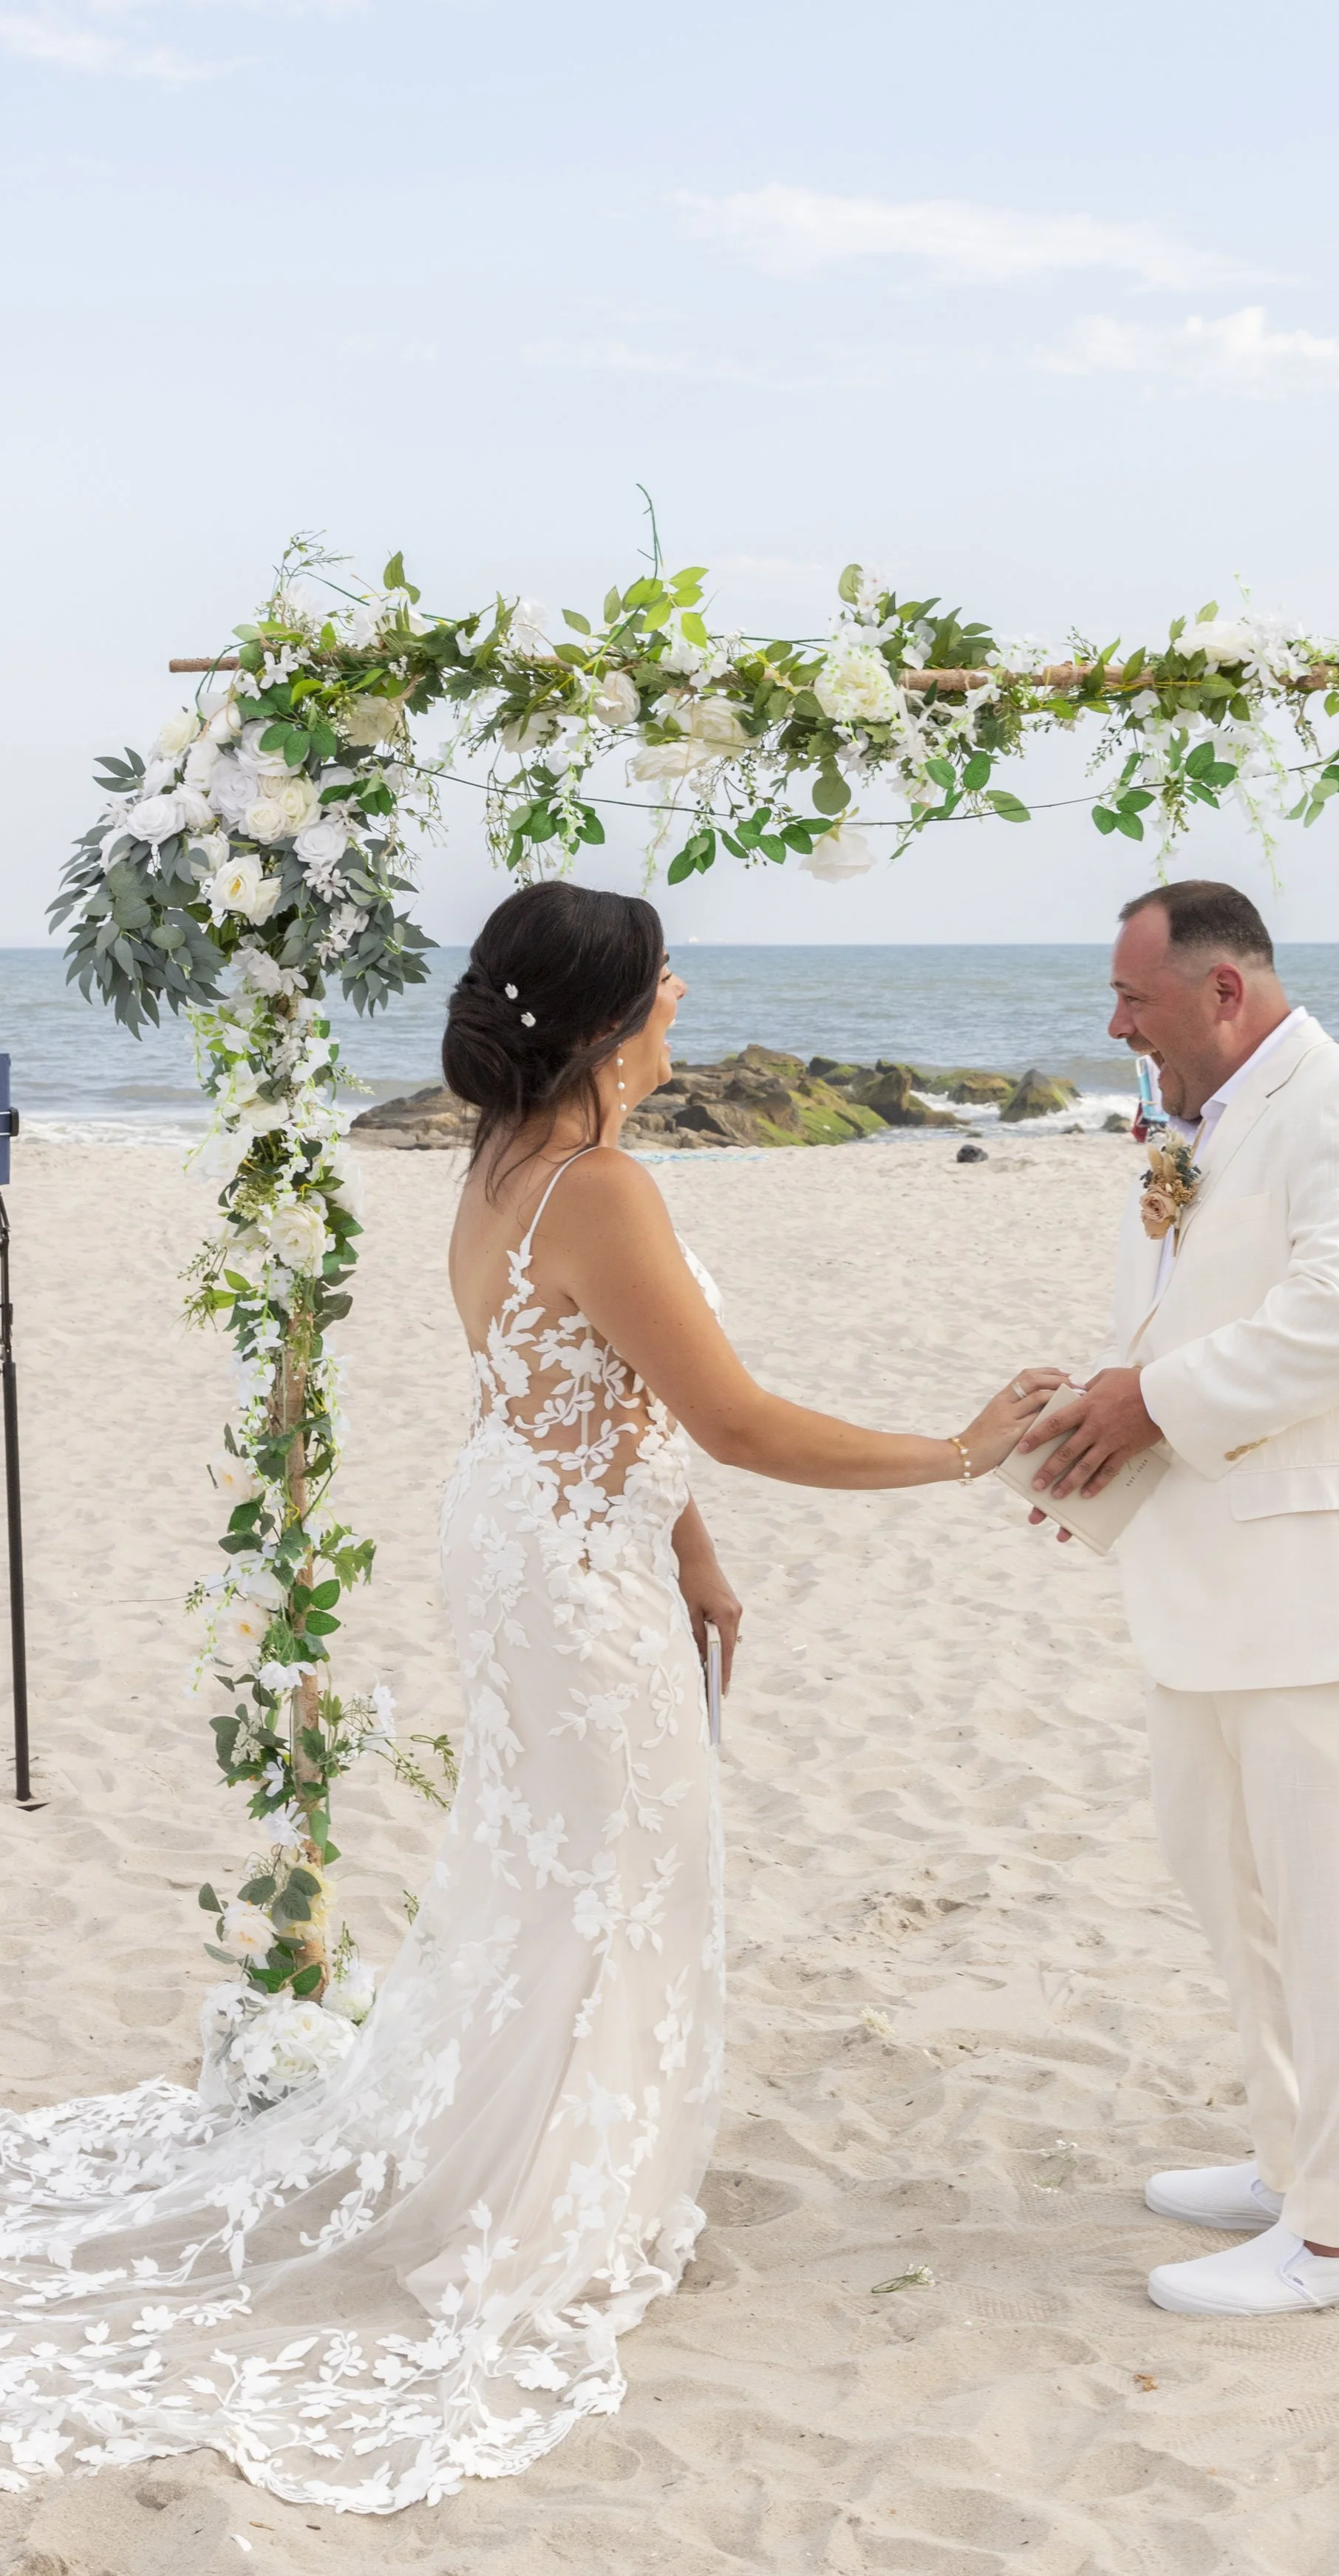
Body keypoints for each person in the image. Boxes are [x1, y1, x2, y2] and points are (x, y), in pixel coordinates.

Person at [0, 882, 1058, 2514]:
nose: (684, 995)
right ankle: (553, 2199)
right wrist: (962, 1447)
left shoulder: (500, 1156)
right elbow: (736, 1413)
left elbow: (591, 1384)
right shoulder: (602, 1182)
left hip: (529, 1516)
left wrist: (689, 1545)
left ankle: (537, 2155)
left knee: (553, 1856)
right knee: (621, 1865)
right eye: (662, 982)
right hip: (561, 1559)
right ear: (614, 1016)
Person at [1018, 879, 1339, 2320]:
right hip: (1218, 1584)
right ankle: (1290, 2156)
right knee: (1226, 1883)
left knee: (1337, 1913)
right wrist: (1096, 1438)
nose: (1116, 1024)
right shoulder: (1191, 1127)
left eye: (1134, 997)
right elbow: (1180, 1324)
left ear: (1222, 991)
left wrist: (1149, 1404)